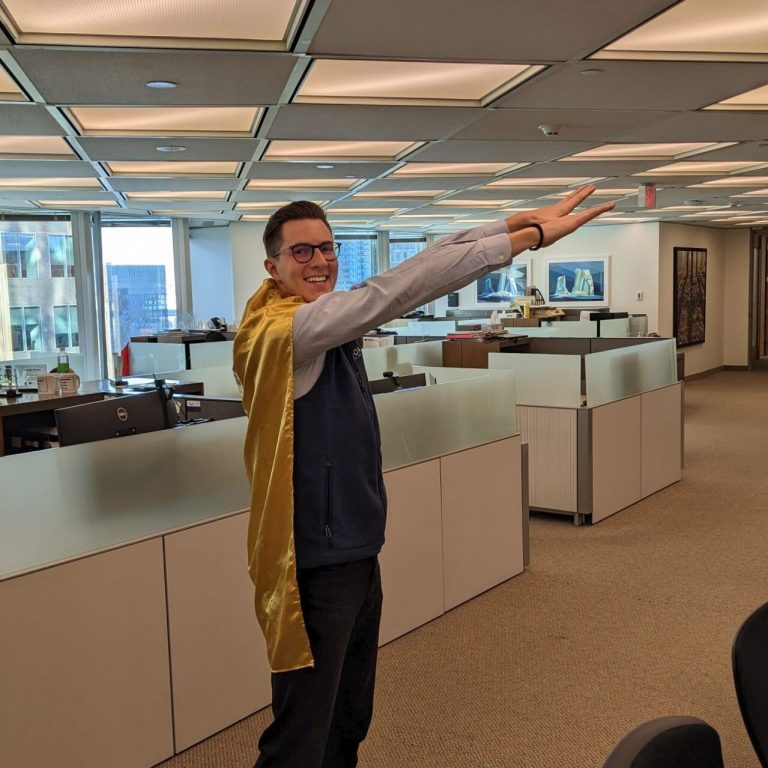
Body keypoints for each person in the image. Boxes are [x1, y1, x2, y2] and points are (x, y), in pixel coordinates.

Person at [232, 185, 614, 768]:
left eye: (327, 248)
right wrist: (526, 240)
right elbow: (398, 290)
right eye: (302, 253)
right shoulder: (290, 330)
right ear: (273, 267)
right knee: (302, 731)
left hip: (355, 548)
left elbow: (414, 264)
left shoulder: (310, 319)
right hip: (314, 559)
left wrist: (509, 222)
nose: (320, 262)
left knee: (349, 716)